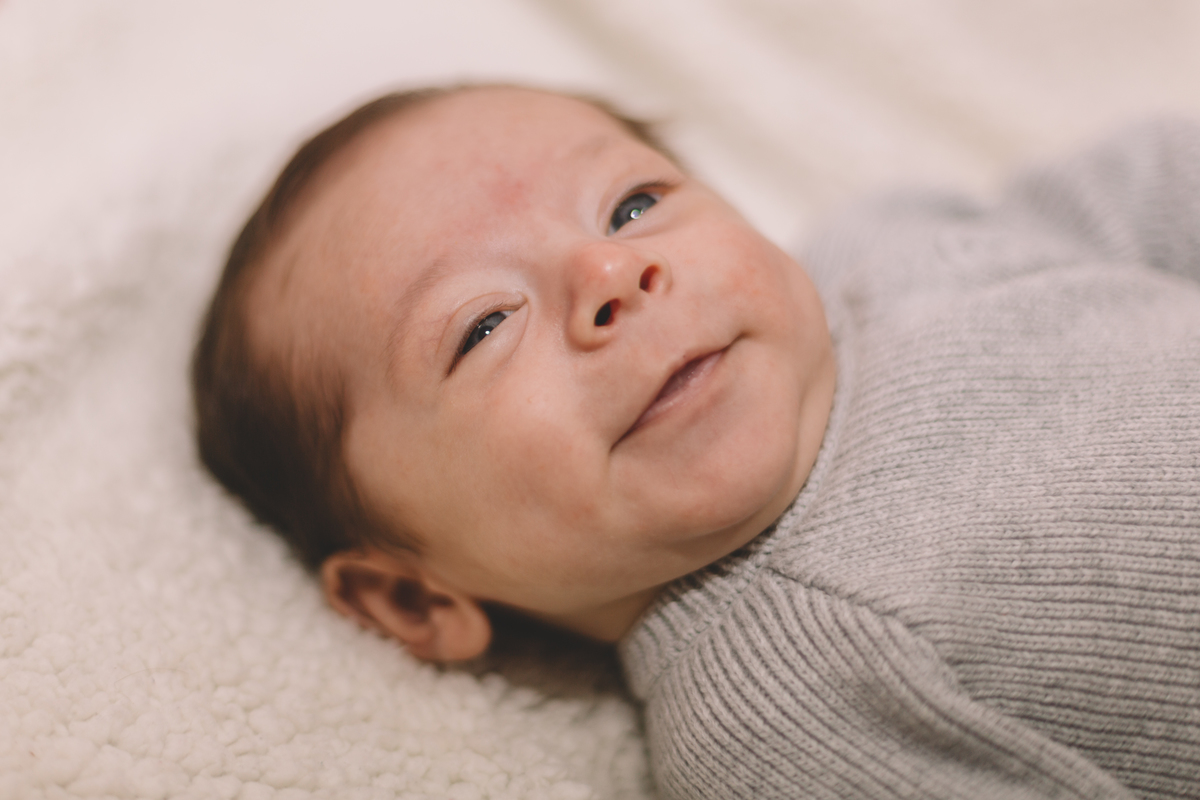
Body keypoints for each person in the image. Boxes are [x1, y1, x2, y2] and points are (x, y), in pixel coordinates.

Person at [192, 84, 1200, 799]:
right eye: (483, 325)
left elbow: (1152, 186)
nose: (609, 272)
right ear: (410, 597)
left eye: (633, 206)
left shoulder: (884, 243)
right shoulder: (780, 719)